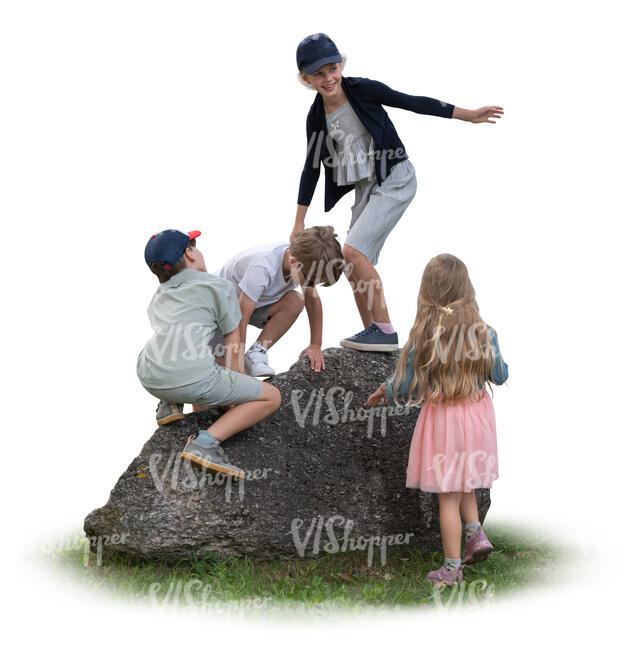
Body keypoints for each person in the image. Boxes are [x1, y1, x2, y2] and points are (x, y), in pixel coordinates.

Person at [291, 33, 504, 352]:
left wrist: (468, 115)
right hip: (367, 186)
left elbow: (413, 102)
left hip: (395, 177)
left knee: (352, 252)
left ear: (341, 65)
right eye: (318, 74)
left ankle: (384, 330)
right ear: (307, 78)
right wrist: (299, 221)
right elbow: (312, 168)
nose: (328, 78)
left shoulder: (362, 90)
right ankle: (371, 337)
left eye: (332, 69)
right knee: (352, 262)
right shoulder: (316, 117)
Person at [367, 254, 509, 586]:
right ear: (467, 288)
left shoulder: (425, 336)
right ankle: (475, 535)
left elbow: (405, 384)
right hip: (477, 418)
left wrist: (383, 391)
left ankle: (451, 569)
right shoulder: (484, 333)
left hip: (444, 420)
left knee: (448, 494)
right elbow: (499, 375)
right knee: (466, 480)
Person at [136, 229, 281, 479]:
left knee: (169, 347)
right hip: (191, 377)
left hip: (148, 374)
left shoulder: (160, 294)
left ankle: (169, 404)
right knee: (272, 397)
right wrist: (238, 390)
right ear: (189, 253)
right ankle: (205, 444)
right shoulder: (219, 286)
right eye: (195, 246)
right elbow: (233, 341)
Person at [210, 226, 344, 376]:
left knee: (296, 301)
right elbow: (241, 318)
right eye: (310, 281)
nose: (310, 285)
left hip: (249, 304)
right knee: (225, 372)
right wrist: (238, 363)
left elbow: (312, 302)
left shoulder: (302, 262)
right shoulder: (262, 268)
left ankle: (256, 352)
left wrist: (315, 344)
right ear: (294, 262)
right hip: (217, 310)